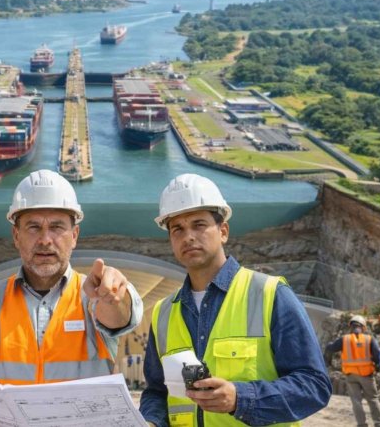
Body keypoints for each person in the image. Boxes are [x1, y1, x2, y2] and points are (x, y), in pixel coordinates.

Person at [140, 173, 331, 426]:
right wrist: (152, 421)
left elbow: (314, 385)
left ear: (223, 231)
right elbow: (156, 391)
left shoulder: (270, 294)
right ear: (171, 240)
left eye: (199, 224)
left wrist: (241, 399)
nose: (188, 237)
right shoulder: (163, 312)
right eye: (178, 229)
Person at [0, 169, 143, 388]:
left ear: (75, 236)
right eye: (33, 227)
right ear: (16, 236)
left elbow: (120, 317)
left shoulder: (93, 295)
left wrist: (114, 297)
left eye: (57, 227)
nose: (45, 240)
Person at [326, 315, 380, 427]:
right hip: (367, 375)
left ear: (350, 327)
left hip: (350, 375)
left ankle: (362, 424)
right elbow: (378, 356)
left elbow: (331, 348)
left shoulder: (344, 339)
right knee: (373, 399)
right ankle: (379, 423)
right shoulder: (369, 339)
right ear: (363, 327)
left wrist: (329, 344)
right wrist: (377, 367)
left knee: (356, 401)